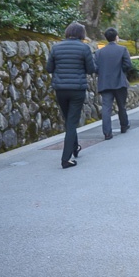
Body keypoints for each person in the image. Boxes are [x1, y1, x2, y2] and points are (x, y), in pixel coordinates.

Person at [46, 22, 97, 169]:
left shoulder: (56, 47)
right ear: (81, 34)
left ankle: (75, 148)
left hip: (60, 89)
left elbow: (49, 68)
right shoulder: (84, 48)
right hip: (77, 89)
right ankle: (65, 159)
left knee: (68, 120)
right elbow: (90, 69)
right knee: (72, 122)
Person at [95, 27, 133, 140]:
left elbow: (95, 68)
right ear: (116, 37)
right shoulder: (122, 49)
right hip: (119, 81)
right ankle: (124, 125)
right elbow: (128, 65)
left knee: (106, 107)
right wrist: (121, 71)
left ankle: (107, 133)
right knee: (121, 105)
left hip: (105, 82)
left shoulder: (99, 52)